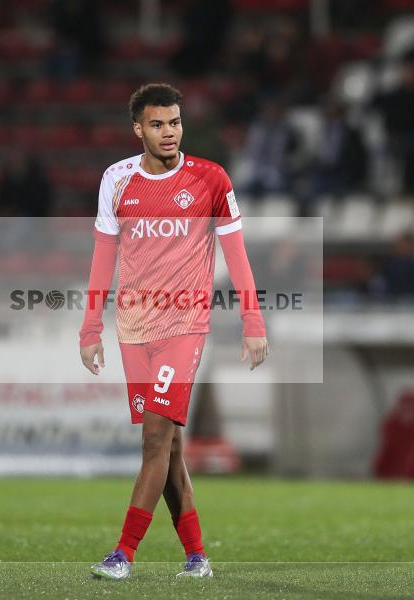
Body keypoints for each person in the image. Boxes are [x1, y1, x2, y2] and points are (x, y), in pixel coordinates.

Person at [80, 84, 268, 580]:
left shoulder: (210, 179)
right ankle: (197, 556)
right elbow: (104, 257)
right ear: (138, 128)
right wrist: (90, 327)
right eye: (158, 124)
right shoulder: (116, 180)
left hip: (184, 326)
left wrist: (253, 321)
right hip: (134, 328)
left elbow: (237, 255)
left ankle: (122, 554)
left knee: (154, 442)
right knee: (169, 450)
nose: (169, 133)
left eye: (176, 123)